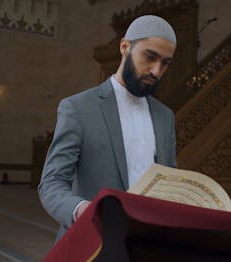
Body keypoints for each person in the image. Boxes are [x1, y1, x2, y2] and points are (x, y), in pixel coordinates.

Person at [39, 15, 178, 241]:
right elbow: (51, 183)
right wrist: (82, 210)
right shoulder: (78, 108)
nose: (156, 70)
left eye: (165, 63)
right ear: (125, 46)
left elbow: (169, 184)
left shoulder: (165, 117)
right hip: (90, 243)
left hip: (148, 247)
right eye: (150, 57)